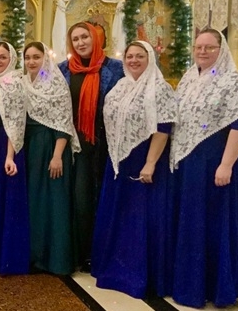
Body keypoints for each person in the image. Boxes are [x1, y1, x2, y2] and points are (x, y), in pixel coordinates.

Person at [171, 29, 238, 308]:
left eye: (209, 47)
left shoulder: (233, 81)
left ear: (221, 49)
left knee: (215, 222)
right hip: (191, 163)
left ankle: (219, 287)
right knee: (193, 221)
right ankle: (192, 284)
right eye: (198, 47)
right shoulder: (189, 77)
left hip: (218, 162)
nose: (202, 51)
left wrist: (226, 164)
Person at [91, 41, 176, 298]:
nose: (134, 60)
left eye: (140, 56)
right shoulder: (121, 86)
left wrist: (150, 163)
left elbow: (163, 128)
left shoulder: (159, 88)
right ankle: (114, 268)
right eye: (130, 56)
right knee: (119, 213)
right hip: (119, 159)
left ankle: (139, 276)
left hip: (144, 159)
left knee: (140, 217)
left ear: (150, 59)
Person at [57, 21, 124, 272]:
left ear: (95, 38)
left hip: (103, 143)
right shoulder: (62, 70)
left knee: (98, 199)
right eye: (75, 39)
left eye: (85, 37)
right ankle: (76, 252)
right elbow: (40, 89)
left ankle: (96, 254)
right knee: (76, 199)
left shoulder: (115, 69)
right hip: (71, 143)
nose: (80, 43)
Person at [23, 42, 80, 275]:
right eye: (27, 57)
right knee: (34, 202)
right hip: (30, 148)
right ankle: (35, 256)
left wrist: (57, 156)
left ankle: (56, 260)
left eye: (36, 57)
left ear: (45, 59)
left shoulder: (55, 84)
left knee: (54, 202)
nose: (31, 62)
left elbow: (64, 122)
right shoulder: (23, 82)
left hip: (52, 146)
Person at [0, 41, 29, 275]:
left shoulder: (13, 84)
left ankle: (8, 258)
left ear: (11, 59)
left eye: (3, 57)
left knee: (7, 199)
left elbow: (16, 122)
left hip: (8, 145)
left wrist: (10, 156)